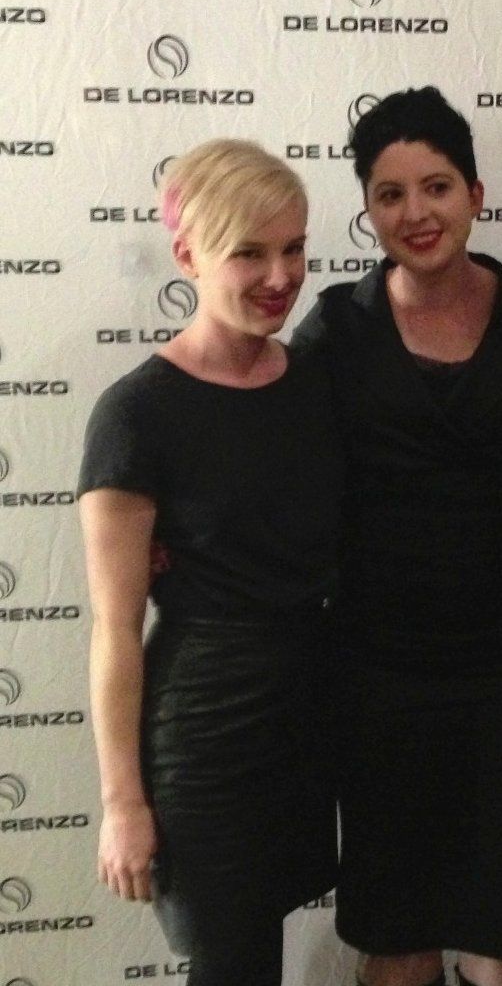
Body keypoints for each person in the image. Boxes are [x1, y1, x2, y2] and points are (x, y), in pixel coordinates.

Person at [295, 87, 502, 986]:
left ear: (478, 194)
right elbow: (260, 448)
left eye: (436, 186)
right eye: (390, 193)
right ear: (367, 209)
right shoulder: (337, 327)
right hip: (374, 674)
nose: (416, 213)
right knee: (395, 927)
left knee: (497, 925)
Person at [78, 139, 342, 986]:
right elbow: (115, 630)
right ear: (189, 253)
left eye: (295, 247)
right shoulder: (136, 413)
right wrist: (123, 805)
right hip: (207, 734)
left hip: (308, 718)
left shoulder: (313, 384)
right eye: (251, 253)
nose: (281, 274)